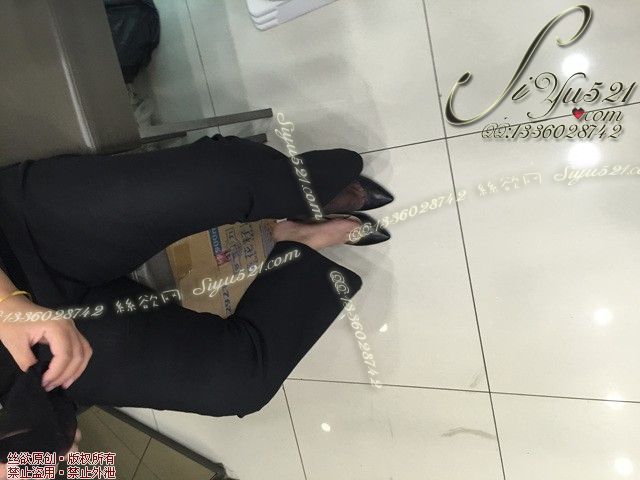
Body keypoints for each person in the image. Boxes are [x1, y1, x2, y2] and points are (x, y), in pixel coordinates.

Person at [0, 134, 393, 467]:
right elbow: (68, 462)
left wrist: (7, 305)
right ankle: (294, 239)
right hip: (30, 369)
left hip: (13, 243)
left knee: (226, 180)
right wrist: (39, 457)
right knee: (239, 381)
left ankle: (292, 193)